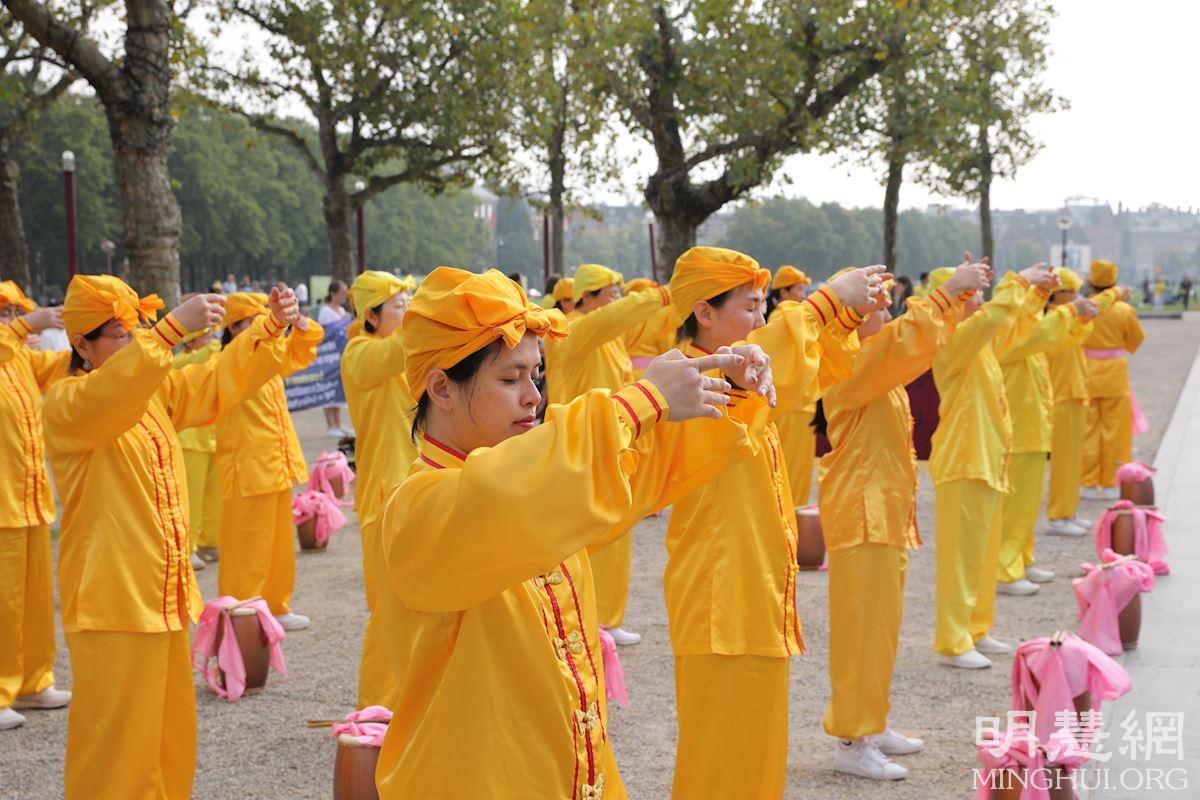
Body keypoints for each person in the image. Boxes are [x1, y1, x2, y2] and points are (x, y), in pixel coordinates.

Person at [371, 266, 770, 799]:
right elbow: (506, 492)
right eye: (510, 379)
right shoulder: (417, 508)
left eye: (535, 376)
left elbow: (629, 475)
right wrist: (640, 402)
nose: (532, 397)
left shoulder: (542, 485)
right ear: (441, 387)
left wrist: (725, 389)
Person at [44, 276, 298, 798]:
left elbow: (218, 380)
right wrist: (166, 333)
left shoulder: (152, 391)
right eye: (121, 334)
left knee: (169, 735)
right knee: (116, 750)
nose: (134, 340)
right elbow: (112, 394)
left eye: (136, 330)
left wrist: (268, 330)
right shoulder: (68, 403)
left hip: (162, 595)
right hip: (113, 602)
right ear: (81, 345)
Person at [663, 247, 886, 799]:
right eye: (749, 306)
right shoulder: (692, 384)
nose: (760, 320)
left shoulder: (741, 374)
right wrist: (826, 303)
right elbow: (781, 357)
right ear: (704, 312)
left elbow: (810, 371)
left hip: (752, 591)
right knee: (719, 762)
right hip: (721, 598)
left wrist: (844, 318)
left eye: (763, 306)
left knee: (758, 754)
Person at [821, 260, 988, 780]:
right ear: (849, 318)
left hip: (882, 513)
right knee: (861, 632)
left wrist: (955, 303)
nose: (887, 312)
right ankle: (851, 738)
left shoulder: (876, 363)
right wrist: (946, 293)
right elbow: (910, 340)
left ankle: (871, 722)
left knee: (880, 627)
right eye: (875, 305)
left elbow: (922, 344)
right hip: (862, 514)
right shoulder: (849, 361)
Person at [930, 259, 1056, 670]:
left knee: (982, 556)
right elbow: (998, 316)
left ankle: (976, 627)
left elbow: (1015, 324)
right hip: (963, 460)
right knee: (960, 558)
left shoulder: (979, 344)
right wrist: (1020, 281)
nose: (980, 301)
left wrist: (1036, 293)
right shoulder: (951, 339)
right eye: (970, 293)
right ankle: (953, 639)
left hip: (986, 459)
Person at [543, 263, 675, 646]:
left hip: (614, 447)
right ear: (586, 298)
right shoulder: (572, 329)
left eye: (618, 292)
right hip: (581, 449)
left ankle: (608, 619)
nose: (617, 299)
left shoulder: (613, 337)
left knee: (617, 539)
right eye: (610, 293)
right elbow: (616, 316)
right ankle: (589, 621)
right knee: (590, 539)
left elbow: (646, 325)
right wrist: (664, 293)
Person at [216, 293, 323, 631]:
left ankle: (276, 606)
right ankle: (241, 616)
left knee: (278, 547)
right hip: (248, 466)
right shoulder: (231, 363)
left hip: (275, 464)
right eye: (252, 321)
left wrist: (299, 323)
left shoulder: (268, 357)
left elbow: (301, 350)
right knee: (246, 548)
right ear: (234, 329)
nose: (262, 325)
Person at [992, 273, 1098, 596]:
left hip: (1033, 429)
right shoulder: (1010, 337)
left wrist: (1078, 320)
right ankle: (1004, 568)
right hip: (1019, 432)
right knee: (1015, 505)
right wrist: (1071, 311)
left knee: (1026, 505)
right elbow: (1047, 331)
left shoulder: (1029, 339)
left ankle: (1021, 559)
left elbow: (1060, 339)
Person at [341, 271, 414, 709]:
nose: (409, 312)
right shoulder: (360, 353)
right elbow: (395, 351)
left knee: (423, 602)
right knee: (390, 608)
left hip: (419, 486)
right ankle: (376, 710)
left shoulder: (407, 352)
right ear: (371, 316)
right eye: (400, 306)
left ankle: (411, 702)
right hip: (385, 493)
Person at [0, 283, 71, 732]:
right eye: (3, 314)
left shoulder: (22, 360)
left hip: (29, 499)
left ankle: (32, 680)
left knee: (35, 601)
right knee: (3, 603)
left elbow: (64, 364)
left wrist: (95, 335)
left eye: (14, 312)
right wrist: (29, 324)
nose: (11, 321)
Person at [1045, 268, 1114, 535]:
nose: (1075, 296)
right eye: (1069, 292)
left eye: (1076, 291)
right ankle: (1058, 514)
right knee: (1063, 460)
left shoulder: (1065, 318)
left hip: (1074, 393)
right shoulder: (1052, 321)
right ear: (1056, 294)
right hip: (1060, 396)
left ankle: (1069, 510)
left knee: (1074, 458)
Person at [1082, 259, 1145, 498]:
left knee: (1087, 430)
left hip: (1086, 371)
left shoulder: (1084, 308)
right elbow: (1135, 341)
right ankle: (1111, 482)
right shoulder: (1124, 311)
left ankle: (1087, 482)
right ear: (1115, 282)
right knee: (1116, 431)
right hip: (1115, 373)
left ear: (1091, 282)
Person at [172, 326, 223, 566]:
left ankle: (211, 542)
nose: (211, 340)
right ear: (190, 342)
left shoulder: (213, 357)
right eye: (206, 336)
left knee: (215, 496)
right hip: (190, 439)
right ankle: (188, 548)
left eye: (212, 335)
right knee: (191, 498)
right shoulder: (180, 361)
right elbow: (191, 361)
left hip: (213, 435)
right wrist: (216, 345)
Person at [318, 279, 351, 436]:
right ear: (333, 293)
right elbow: (325, 334)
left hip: (341, 355)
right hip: (329, 355)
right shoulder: (325, 311)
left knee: (338, 389)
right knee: (329, 388)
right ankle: (330, 425)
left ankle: (338, 424)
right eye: (342, 293)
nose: (345, 296)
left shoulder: (343, 311)